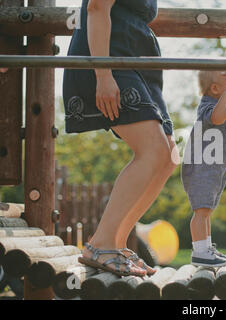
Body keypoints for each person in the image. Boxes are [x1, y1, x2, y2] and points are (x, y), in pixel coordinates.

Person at [63, 0, 178, 276]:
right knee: (151, 150)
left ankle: (116, 243)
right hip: (110, 59)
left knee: (168, 156)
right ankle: (100, 243)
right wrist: (103, 73)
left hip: (137, 62)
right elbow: (96, 8)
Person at [181, 71, 226, 267]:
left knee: (206, 211)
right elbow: (217, 118)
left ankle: (206, 248)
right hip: (201, 169)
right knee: (201, 211)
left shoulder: (219, 102)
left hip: (211, 170)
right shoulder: (208, 106)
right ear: (216, 89)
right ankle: (200, 252)